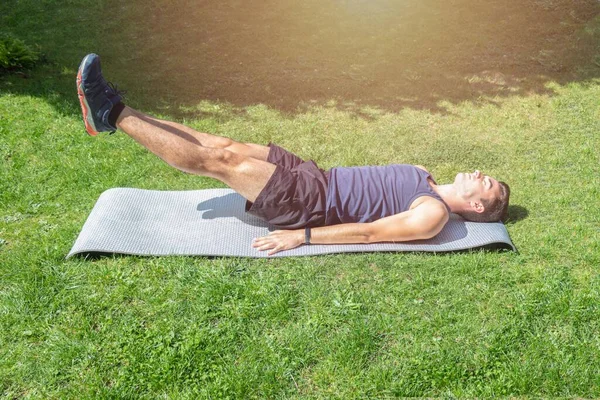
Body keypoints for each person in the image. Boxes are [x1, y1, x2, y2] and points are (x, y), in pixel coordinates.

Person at [77, 54, 510, 255]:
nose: (478, 172)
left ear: (475, 205)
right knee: (223, 143)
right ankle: (118, 108)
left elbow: (369, 233)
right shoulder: (424, 175)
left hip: (306, 204)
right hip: (311, 175)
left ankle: (110, 112)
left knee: (220, 163)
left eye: (485, 181)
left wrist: (300, 237)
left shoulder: (431, 213)